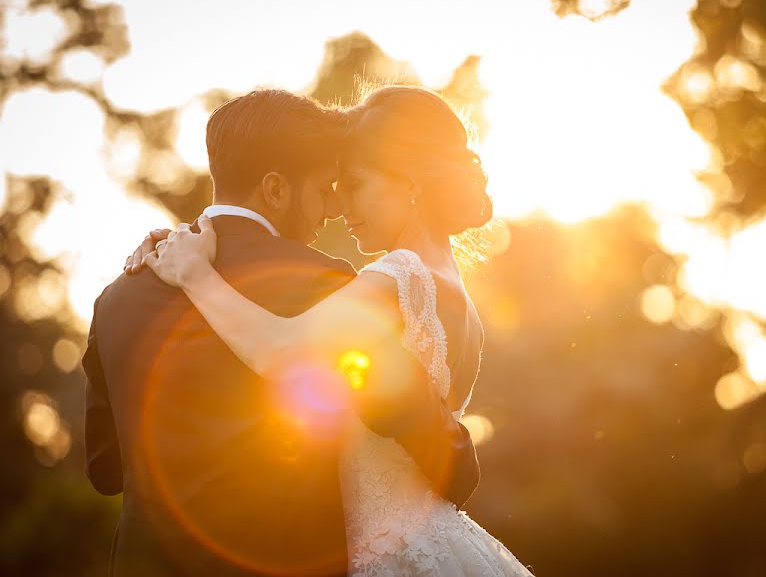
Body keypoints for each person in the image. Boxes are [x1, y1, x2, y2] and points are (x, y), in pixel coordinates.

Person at [136, 86, 534, 576]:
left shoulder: (398, 274)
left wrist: (195, 273)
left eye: (356, 184)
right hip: (437, 540)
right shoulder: (458, 298)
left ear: (408, 183)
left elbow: (280, 351)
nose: (340, 205)